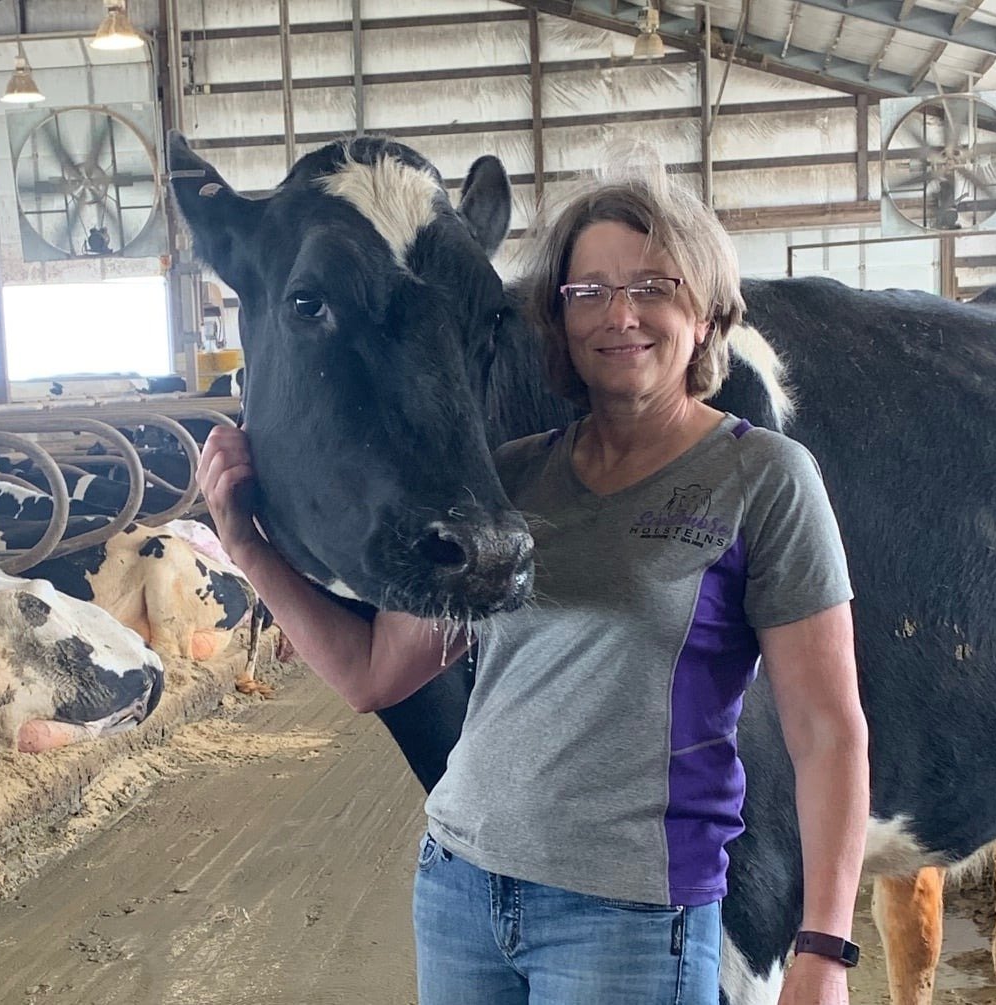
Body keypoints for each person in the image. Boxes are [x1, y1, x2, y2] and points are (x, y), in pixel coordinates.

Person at [196, 164, 869, 1005]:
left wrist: (824, 948)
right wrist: (248, 546)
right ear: (557, 319)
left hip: (629, 913)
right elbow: (375, 673)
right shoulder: (509, 481)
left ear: (706, 309)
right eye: (589, 290)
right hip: (462, 887)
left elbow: (827, 733)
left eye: (652, 286)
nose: (619, 314)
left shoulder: (764, 477)